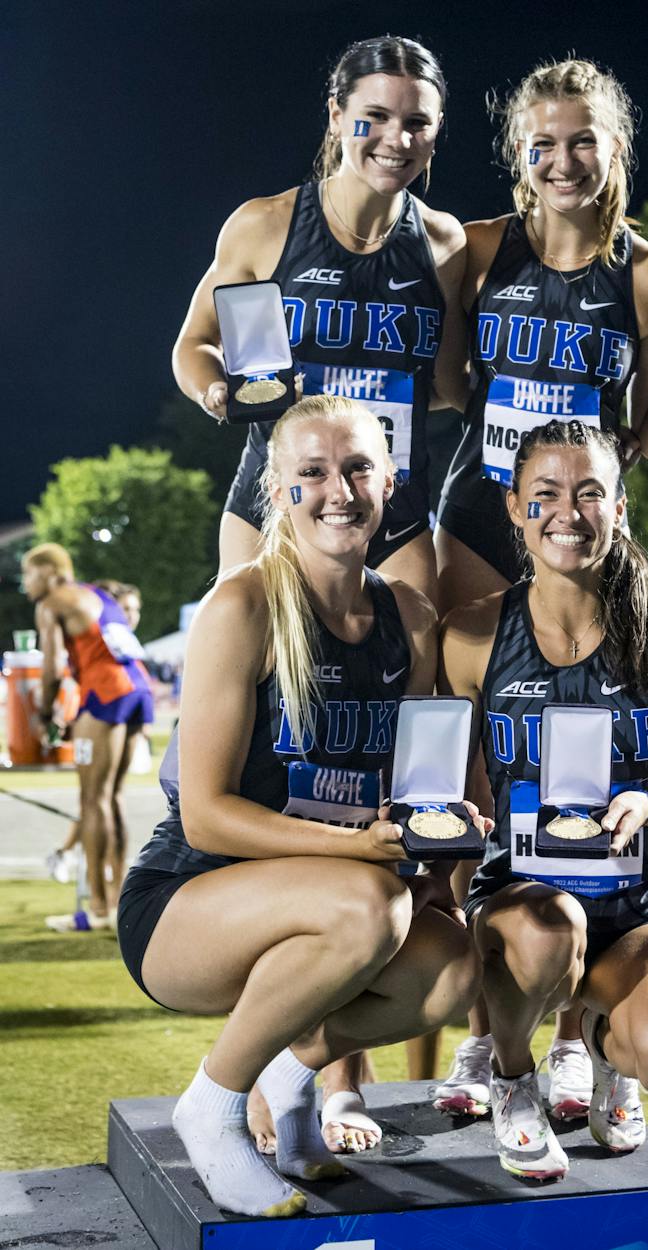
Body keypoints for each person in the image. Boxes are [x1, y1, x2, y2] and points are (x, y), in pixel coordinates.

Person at [429, 56, 648, 1119]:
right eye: (543, 141)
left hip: (582, 506)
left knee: (594, 722)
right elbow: (437, 378)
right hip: (484, 511)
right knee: (467, 736)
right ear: (518, 154)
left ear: (615, 149)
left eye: (584, 140)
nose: (563, 159)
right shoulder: (480, 249)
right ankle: (472, 1032)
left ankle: (580, 1036)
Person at [115, 396, 482, 1217]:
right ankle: (211, 1108)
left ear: (391, 481)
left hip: (335, 895)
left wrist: (441, 832)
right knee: (367, 904)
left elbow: (412, 786)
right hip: (189, 900)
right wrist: (361, 849)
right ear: (279, 492)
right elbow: (205, 814)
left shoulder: (411, 616)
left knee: (455, 968)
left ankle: (288, 1076)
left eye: (357, 468)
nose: (338, 491)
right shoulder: (242, 606)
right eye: (311, 473)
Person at [439, 419, 648, 1181]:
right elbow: (452, 799)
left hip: (638, 905)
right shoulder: (472, 636)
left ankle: (609, 1054)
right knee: (550, 925)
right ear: (514, 507)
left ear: (620, 506)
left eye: (589, 493)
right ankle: (512, 1078)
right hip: (523, 906)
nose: (567, 512)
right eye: (545, 494)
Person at [173, 36, 466, 604]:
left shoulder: (445, 243)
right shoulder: (265, 225)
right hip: (277, 503)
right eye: (374, 117)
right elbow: (195, 343)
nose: (396, 139)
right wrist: (216, 390)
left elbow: (448, 386)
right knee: (256, 681)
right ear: (336, 116)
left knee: (405, 683)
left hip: (395, 509)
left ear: (435, 130)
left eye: (417, 122)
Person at [21, 547, 154, 931]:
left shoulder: (51, 602)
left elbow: (50, 667)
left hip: (106, 694)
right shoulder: (96, 594)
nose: (26, 584)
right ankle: (116, 901)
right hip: (136, 688)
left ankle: (98, 907)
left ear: (48, 572)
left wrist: (45, 714)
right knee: (112, 797)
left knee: (91, 800)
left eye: (29, 575)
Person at [45, 581, 153, 887]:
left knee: (96, 799)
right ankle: (111, 885)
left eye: (135, 609)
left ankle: (100, 898)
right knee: (103, 798)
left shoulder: (112, 646)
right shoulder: (115, 642)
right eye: (126, 609)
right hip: (118, 702)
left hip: (109, 702)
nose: (131, 615)